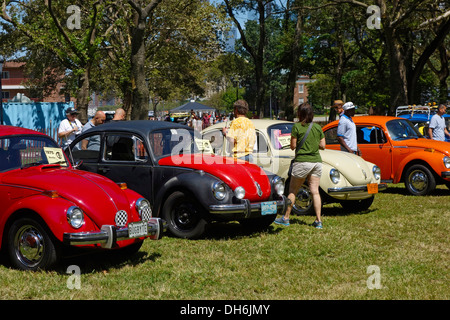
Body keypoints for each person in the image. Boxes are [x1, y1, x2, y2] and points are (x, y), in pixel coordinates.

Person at [274, 103, 326, 228]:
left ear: (299, 114)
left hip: (302, 162)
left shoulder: (297, 127)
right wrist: (313, 145)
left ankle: (286, 218)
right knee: (315, 191)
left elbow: (293, 146)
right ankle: (318, 221)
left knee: (292, 191)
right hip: (316, 162)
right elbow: (323, 146)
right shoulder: (318, 127)